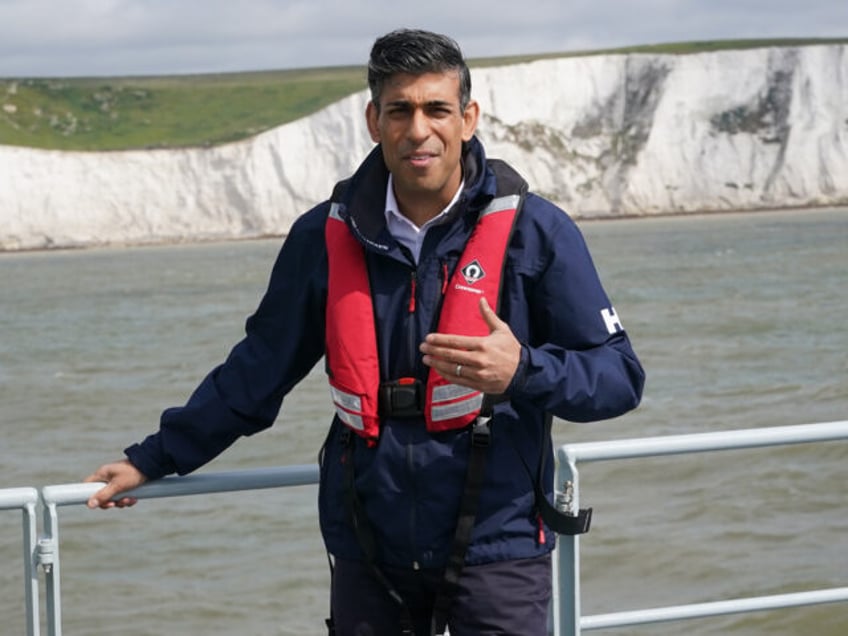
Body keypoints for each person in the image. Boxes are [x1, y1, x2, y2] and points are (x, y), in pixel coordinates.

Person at [85, 28, 645, 636]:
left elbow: (619, 377)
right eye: (400, 110)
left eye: (436, 108)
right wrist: (153, 458)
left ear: (468, 118)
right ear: (373, 120)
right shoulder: (323, 237)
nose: (419, 129)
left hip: (497, 547)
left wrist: (523, 370)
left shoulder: (537, 233)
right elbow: (256, 373)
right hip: (367, 546)